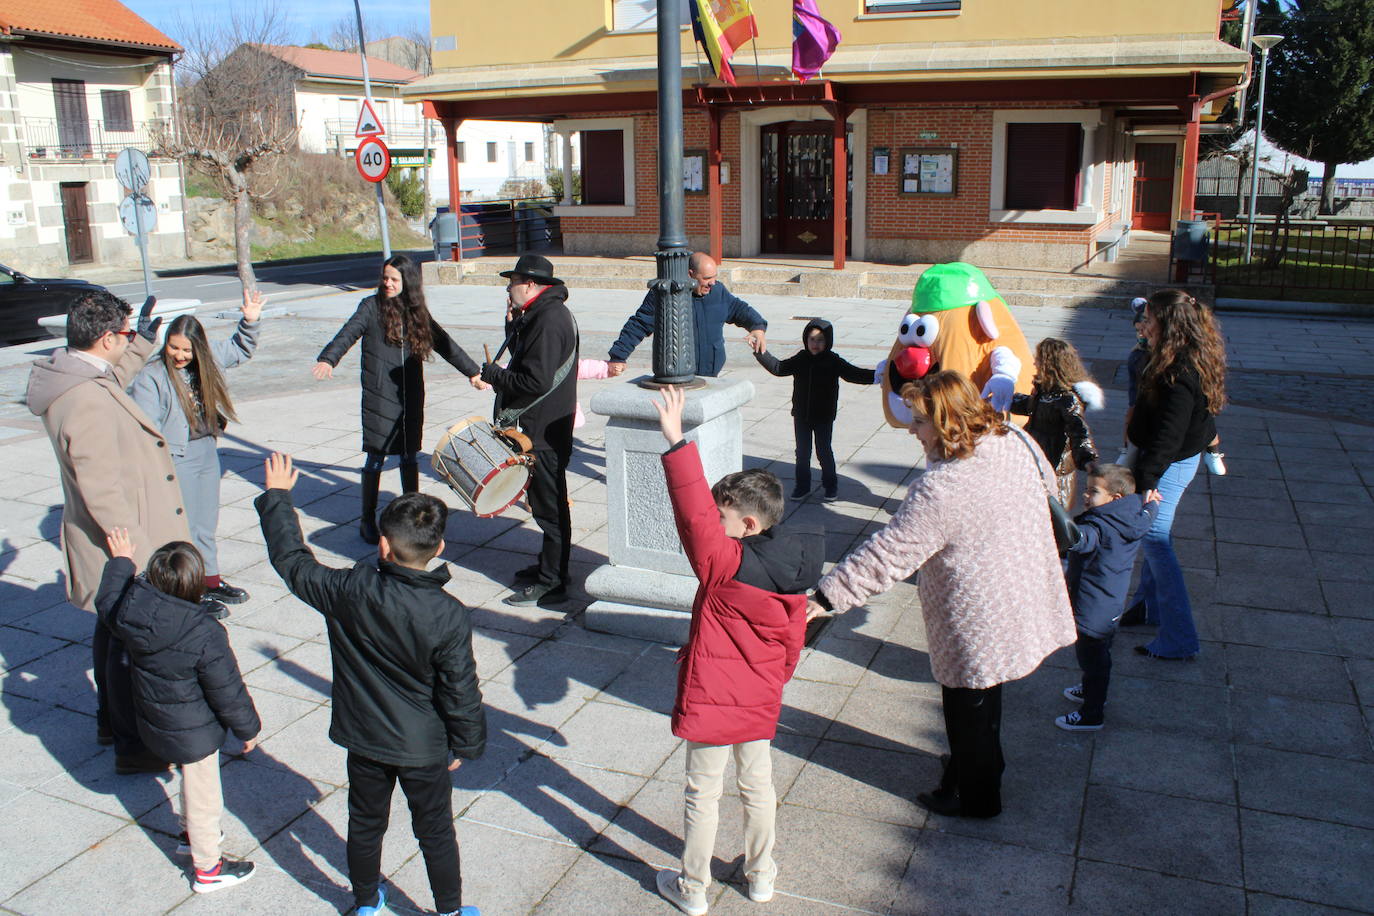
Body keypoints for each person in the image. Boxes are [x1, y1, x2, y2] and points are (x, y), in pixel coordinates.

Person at [810, 371, 1074, 819]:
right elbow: (1049, 487)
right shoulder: (1010, 439)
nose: (912, 429)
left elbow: (888, 555)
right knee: (987, 694)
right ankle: (983, 766)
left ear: (947, 420)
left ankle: (977, 797)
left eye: (918, 420)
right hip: (1017, 586)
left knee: (965, 703)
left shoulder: (943, 489)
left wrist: (825, 597)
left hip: (976, 610)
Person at [255, 453, 485, 916]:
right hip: (423, 746)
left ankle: (364, 902)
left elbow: (293, 562)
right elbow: (460, 689)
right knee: (435, 830)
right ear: (438, 549)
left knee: (364, 823)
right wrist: (466, 744)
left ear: (383, 545)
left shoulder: (348, 590)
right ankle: (450, 911)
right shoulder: (447, 614)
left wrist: (279, 498)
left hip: (364, 738)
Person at [649, 386, 821, 916]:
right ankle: (761, 877)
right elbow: (792, 651)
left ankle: (693, 890)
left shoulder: (724, 567)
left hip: (711, 698)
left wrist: (677, 441)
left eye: (727, 519)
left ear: (748, 525)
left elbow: (695, 514)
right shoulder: (793, 581)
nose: (716, 526)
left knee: (703, 792)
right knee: (758, 785)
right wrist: (771, 681)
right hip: (760, 699)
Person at [25, 291, 190, 774]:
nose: (125, 341)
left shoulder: (77, 376)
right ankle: (133, 746)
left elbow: (111, 378)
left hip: (114, 539)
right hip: (120, 540)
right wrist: (131, 556)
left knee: (110, 630)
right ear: (103, 338)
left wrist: (140, 341)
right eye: (121, 333)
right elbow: (99, 484)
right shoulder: (83, 401)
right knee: (127, 647)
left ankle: (107, 721)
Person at [95, 531, 261, 893]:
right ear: (195, 586)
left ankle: (189, 834)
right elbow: (227, 690)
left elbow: (106, 599)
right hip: (193, 731)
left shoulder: (129, 610)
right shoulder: (203, 631)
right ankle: (208, 868)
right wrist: (247, 730)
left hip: (153, 720)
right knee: (204, 796)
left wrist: (121, 560)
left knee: (192, 785)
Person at [314, 253, 483, 545]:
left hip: (411, 393)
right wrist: (329, 359)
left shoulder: (416, 312)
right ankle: (367, 519)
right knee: (375, 456)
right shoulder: (370, 307)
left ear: (408, 282)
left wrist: (472, 372)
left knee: (408, 454)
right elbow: (347, 334)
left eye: (394, 279)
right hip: (380, 394)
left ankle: (411, 514)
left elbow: (444, 343)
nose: (387, 283)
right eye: (385, 278)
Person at [130, 289, 263, 618]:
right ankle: (187, 590)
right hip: (176, 457)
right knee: (184, 526)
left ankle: (210, 579)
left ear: (197, 348)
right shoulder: (152, 377)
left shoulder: (207, 358)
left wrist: (250, 321)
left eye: (185, 349)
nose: (178, 355)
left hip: (205, 449)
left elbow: (238, 348)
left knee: (205, 521)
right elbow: (146, 428)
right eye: (173, 347)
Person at [1120, 290, 1228, 659]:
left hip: (1170, 465)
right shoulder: (1179, 356)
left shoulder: (1180, 371)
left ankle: (1179, 640)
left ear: (1168, 323)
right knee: (1154, 539)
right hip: (1174, 459)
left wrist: (1148, 480)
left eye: (1148, 318)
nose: (1142, 324)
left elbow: (1170, 433)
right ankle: (1148, 609)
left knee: (1156, 543)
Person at [479, 254, 579, 607]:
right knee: (544, 505)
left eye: (512, 282)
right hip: (542, 427)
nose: (508, 288)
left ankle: (554, 582)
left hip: (544, 433)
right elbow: (533, 362)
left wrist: (494, 375)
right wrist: (512, 327)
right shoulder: (540, 315)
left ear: (530, 285)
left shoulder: (549, 319)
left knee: (549, 510)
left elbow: (534, 381)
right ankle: (549, 567)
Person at [1055, 464, 1156, 732]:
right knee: (1100, 653)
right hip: (1111, 601)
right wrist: (1151, 503)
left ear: (1115, 498)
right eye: (1087, 490)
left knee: (1092, 657)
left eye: (1093, 491)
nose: (1086, 496)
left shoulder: (1098, 526)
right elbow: (1149, 511)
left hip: (1092, 605)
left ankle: (1092, 713)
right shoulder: (1133, 514)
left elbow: (1080, 540)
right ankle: (1092, 687)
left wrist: (1058, 524)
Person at [751, 318, 875, 501]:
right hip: (801, 415)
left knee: (824, 451)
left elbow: (855, 374)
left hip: (824, 416)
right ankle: (802, 486)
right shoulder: (801, 358)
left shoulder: (833, 361)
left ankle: (830, 486)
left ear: (828, 341)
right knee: (802, 452)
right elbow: (778, 368)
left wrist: (880, 375)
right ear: (805, 340)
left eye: (820, 340)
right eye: (812, 339)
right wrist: (760, 352)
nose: (815, 344)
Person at [606, 252, 766, 378]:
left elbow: (740, 309)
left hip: (711, 374)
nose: (713, 283)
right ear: (690, 274)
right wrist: (618, 357)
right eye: (707, 278)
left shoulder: (718, 291)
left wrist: (757, 326)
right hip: (677, 376)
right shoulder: (665, 294)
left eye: (715, 276)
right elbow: (639, 324)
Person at [1009, 337, 1103, 508]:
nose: (1034, 362)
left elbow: (1079, 431)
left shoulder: (1068, 399)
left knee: (1053, 516)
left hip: (1057, 471)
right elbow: (1030, 406)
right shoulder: (1044, 391)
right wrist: (1005, 400)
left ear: (1049, 364)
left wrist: (1087, 458)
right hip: (1039, 460)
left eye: (1038, 358)